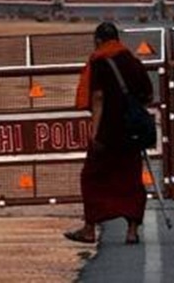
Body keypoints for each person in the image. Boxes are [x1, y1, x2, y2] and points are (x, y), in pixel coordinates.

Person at [65, 22, 153, 245]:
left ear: (97, 40)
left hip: (107, 130)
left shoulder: (99, 61)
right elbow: (147, 94)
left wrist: (95, 132)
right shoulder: (133, 62)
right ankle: (132, 231)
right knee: (130, 179)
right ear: (117, 39)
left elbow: (98, 98)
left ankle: (89, 228)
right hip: (131, 132)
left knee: (92, 177)